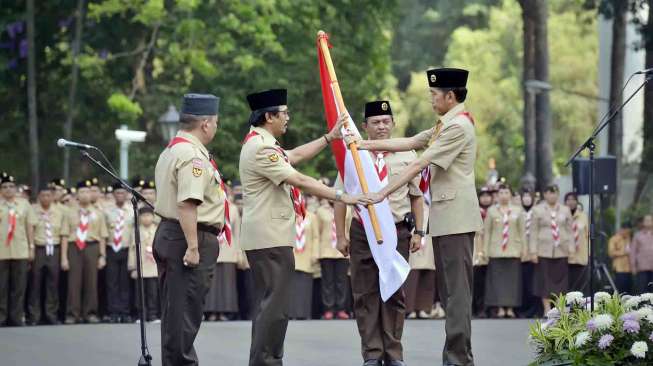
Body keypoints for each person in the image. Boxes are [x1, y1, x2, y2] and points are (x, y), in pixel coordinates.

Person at [358, 68, 482, 366]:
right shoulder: (446, 124)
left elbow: (419, 163)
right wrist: (366, 144)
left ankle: (458, 358)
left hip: (456, 219)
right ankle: (455, 356)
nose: (431, 99)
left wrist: (381, 193)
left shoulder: (457, 128)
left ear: (450, 96)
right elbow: (413, 142)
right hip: (447, 218)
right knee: (450, 292)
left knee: (457, 294)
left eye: (434, 94)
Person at [239, 88, 363, 366]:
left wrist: (329, 138)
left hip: (267, 237)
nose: (287, 118)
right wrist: (343, 196)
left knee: (270, 306)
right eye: (283, 113)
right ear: (268, 116)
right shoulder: (261, 148)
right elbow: (300, 180)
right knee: (275, 308)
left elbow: (292, 156)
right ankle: (266, 361)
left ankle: (265, 359)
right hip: (269, 239)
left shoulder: (262, 143)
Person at [334, 100, 424, 366]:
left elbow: (417, 197)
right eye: (376, 122)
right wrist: (341, 235)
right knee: (365, 293)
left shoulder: (408, 155)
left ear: (393, 123)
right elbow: (341, 198)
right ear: (365, 126)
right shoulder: (354, 155)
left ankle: (393, 354)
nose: (382, 126)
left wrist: (420, 231)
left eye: (386, 121)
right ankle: (372, 354)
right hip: (363, 232)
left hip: (397, 232)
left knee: (395, 293)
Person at [153, 93, 224, 366]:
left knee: (176, 312)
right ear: (205, 123)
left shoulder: (172, 149)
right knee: (184, 313)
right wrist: (193, 247)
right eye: (215, 122)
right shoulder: (193, 155)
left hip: (172, 234)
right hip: (188, 237)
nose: (216, 128)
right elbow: (187, 204)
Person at [65, 179, 108, 324]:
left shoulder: (98, 213)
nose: (85, 194)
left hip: (92, 247)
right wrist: (64, 257)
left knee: (91, 282)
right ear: (76, 195)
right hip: (74, 246)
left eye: (88, 191)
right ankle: (72, 314)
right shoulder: (69, 212)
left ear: (92, 194)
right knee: (74, 282)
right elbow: (64, 235)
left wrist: (102, 256)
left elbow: (103, 236)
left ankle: (90, 313)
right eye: (82, 192)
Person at [481, 184, 525, 319]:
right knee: (497, 281)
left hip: (513, 249)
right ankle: (500, 308)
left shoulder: (518, 210)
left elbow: (522, 231)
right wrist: (485, 250)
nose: (504, 195)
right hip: (496, 250)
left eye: (506, 192)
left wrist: (524, 249)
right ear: (497, 195)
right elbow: (487, 232)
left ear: (510, 195)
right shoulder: (492, 211)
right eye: (501, 193)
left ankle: (511, 308)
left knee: (512, 281)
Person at [529, 184, 574, 315]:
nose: (552, 195)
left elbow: (570, 230)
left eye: (555, 193)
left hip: (561, 250)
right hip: (544, 250)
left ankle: (560, 307)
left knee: (561, 281)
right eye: (549, 193)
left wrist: (571, 250)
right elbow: (533, 231)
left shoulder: (565, 210)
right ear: (545, 194)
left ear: (558, 194)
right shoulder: (537, 210)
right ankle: (547, 308)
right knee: (545, 281)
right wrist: (533, 251)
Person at [28, 185, 69, 325]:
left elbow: (64, 235)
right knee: (35, 283)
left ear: (52, 197)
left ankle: (51, 315)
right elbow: (30, 231)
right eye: (43, 195)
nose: (46, 198)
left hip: (54, 249)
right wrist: (31, 249)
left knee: (53, 284)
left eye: (48, 195)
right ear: (39, 197)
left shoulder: (60, 212)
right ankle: (34, 316)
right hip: (39, 248)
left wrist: (63, 257)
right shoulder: (32, 210)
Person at [0, 172, 36, 326]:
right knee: (1, 286)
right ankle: (2, 317)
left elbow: (30, 227)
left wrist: (31, 247)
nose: (8, 189)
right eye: (5, 187)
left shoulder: (24, 204)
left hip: (20, 249)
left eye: (11, 186)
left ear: (15, 189)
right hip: (1, 250)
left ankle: (16, 317)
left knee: (19, 286)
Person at [204, 190, 241, 321]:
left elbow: (237, 231)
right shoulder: (210, 206)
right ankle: (211, 312)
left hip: (228, 249)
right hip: (212, 247)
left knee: (227, 283)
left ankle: (225, 312)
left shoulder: (233, 209)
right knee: (212, 283)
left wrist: (238, 252)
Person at [104, 182, 134, 323]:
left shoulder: (132, 211)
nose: (120, 195)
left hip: (127, 249)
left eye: (122, 193)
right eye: (117, 193)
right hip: (112, 249)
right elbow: (103, 233)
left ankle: (125, 312)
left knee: (125, 282)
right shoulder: (107, 211)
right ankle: (113, 312)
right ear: (113, 195)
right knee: (112, 282)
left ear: (127, 195)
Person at [317, 198, 350, 320]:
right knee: (327, 282)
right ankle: (328, 309)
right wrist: (316, 252)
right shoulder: (321, 211)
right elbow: (317, 232)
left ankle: (341, 309)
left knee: (342, 281)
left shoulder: (348, 208)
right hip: (326, 250)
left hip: (342, 251)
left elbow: (349, 228)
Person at [405, 198, 437, 320]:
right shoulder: (410, 203)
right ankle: (409, 308)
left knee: (428, 275)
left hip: (429, 243)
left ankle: (424, 308)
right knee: (412, 276)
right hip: (414, 239)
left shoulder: (432, 204)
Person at [289, 194, 320, 320]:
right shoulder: (289, 217)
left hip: (307, 255)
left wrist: (315, 253)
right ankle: (292, 313)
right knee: (291, 287)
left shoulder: (311, 217)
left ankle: (304, 313)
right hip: (292, 255)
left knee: (305, 287)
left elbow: (316, 237)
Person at [128, 206, 159, 322]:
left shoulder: (157, 229)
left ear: (153, 216)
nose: (146, 218)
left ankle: (153, 315)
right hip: (140, 267)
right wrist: (132, 267)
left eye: (148, 215)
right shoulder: (136, 230)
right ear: (139, 218)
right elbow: (132, 250)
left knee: (153, 294)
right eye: (143, 216)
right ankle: (141, 315)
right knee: (140, 294)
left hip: (153, 267)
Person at [517, 189, 541, 318]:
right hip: (521, 252)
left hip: (535, 252)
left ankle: (536, 309)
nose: (526, 199)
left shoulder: (537, 212)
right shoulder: (517, 212)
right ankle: (523, 309)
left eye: (528, 196)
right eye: (524, 196)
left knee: (535, 282)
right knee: (523, 283)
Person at [473, 187, 493, 318]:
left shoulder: (494, 211)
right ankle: (476, 309)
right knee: (476, 282)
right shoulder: (474, 210)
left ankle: (488, 308)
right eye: (483, 196)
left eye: (488, 196)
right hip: (476, 248)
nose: (485, 198)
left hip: (491, 249)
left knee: (489, 283)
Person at [565, 192, 589, 294]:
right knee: (567, 285)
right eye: (568, 200)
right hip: (566, 256)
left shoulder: (583, 216)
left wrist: (589, 252)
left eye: (573, 199)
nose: (571, 202)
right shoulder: (562, 216)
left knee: (581, 284)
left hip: (581, 255)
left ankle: (581, 306)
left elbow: (587, 235)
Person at [630, 214, 653, 294]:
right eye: (646, 220)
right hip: (642, 268)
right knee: (642, 291)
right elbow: (633, 252)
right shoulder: (638, 235)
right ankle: (643, 306)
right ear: (643, 222)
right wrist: (633, 267)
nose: (648, 222)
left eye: (650, 220)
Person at [608, 223, 632, 294]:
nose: (627, 234)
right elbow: (611, 253)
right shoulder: (614, 239)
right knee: (620, 289)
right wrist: (624, 252)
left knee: (628, 289)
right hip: (619, 268)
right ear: (621, 230)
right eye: (626, 232)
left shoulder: (629, 238)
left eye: (628, 232)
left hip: (629, 268)